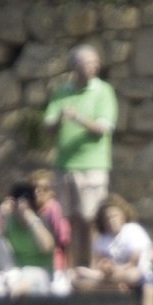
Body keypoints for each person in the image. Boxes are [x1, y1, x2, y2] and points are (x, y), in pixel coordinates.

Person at [41, 44, 117, 239]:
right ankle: (71, 268)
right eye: (88, 63)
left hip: (92, 168)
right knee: (67, 222)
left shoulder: (104, 91)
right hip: (65, 167)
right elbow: (48, 127)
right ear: (75, 67)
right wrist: (59, 119)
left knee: (90, 221)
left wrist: (77, 118)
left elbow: (103, 129)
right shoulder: (61, 92)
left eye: (95, 62)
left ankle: (90, 268)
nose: (94, 67)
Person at [0, 180, 70, 297]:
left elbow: (47, 247)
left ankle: (15, 294)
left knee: (23, 283)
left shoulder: (42, 219)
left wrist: (29, 216)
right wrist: (0, 214)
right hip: (15, 271)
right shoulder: (9, 221)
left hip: (40, 272)